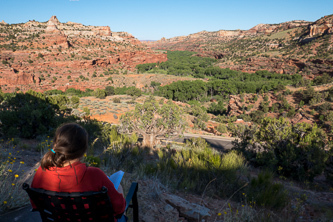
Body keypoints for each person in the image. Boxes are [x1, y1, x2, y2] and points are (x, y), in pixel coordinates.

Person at [31, 122, 126, 220]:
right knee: (119, 188)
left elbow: (35, 205)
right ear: (83, 151)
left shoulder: (42, 172)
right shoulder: (94, 175)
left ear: (56, 144)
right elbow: (119, 209)